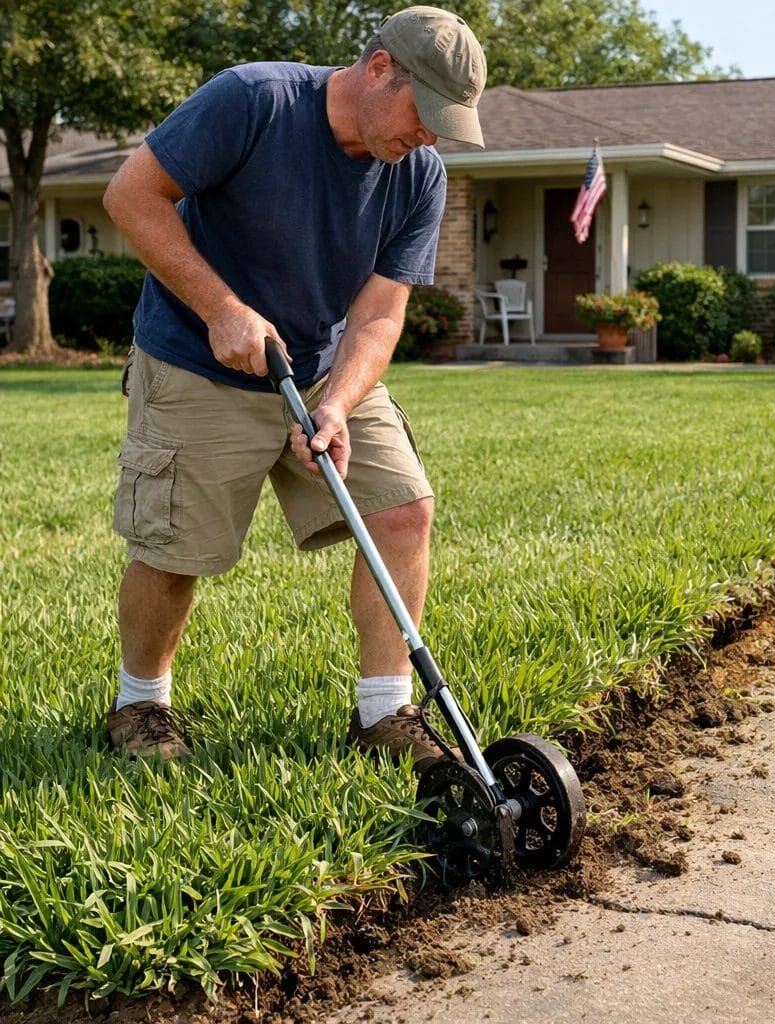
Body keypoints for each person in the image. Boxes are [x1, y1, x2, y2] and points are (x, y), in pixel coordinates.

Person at [101, 5, 486, 766]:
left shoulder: (418, 175)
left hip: (317, 367)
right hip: (195, 359)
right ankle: (138, 707)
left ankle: (385, 714)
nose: (430, 136)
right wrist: (221, 309)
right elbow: (131, 197)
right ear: (379, 69)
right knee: (177, 549)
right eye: (424, 113)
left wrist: (338, 404)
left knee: (403, 509)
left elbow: (379, 314)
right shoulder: (253, 101)